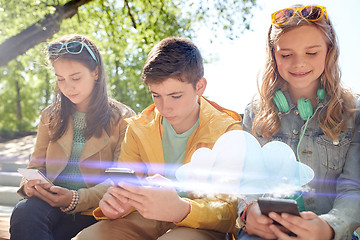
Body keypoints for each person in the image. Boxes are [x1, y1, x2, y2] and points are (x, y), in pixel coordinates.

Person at [74, 37, 242, 240]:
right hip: (144, 218)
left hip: (200, 226)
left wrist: (182, 209)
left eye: (175, 96)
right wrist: (117, 206)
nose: (164, 107)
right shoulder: (137, 128)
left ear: (200, 86)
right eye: (156, 95)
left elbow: (230, 214)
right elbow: (123, 188)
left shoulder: (227, 130)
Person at [238, 4, 360, 240]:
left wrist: (329, 227)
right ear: (273, 54)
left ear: (329, 51)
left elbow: (354, 187)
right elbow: (246, 180)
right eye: (286, 55)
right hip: (267, 234)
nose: (299, 63)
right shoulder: (254, 112)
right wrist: (248, 211)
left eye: (312, 53)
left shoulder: (354, 112)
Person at [10, 34, 135, 240]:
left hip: (94, 210)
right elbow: (35, 167)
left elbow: (121, 180)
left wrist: (74, 198)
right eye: (60, 79)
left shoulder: (123, 118)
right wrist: (29, 184)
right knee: (24, 212)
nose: (67, 87)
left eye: (75, 78)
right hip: (49, 203)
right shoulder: (49, 116)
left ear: (95, 72)